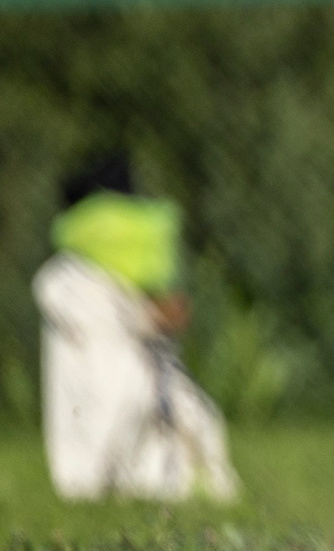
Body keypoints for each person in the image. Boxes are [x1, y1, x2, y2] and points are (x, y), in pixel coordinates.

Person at [35, 153, 240, 503]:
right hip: (110, 380)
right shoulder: (71, 281)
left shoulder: (75, 274)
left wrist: (154, 316)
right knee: (125, 393)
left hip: (138, 386)